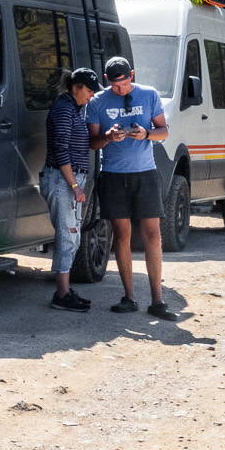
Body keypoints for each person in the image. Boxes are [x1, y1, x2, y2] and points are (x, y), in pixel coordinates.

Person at [86, 56, 176, 321]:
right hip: (113, 175)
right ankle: (128, 296)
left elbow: (164, 131)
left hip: (145, 174)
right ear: (107, 80)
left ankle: (157, 300)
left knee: (153, 235)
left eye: (124, 83)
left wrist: (146, 134)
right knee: (121, 235)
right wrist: (108, 136)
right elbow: (92, 142)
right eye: (115, 85)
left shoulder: (148, 95)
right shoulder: (97, 102)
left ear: (132, 75)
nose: (120, 89)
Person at [45, 67, 101, 312]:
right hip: (62, 179)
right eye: (88, 91)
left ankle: (65, 290)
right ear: (76, 87)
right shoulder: (64, 109)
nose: (90, 96)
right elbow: (61, 150)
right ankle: (61, 294)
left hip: (68, 179)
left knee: (73, 235)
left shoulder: (76, 108)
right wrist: (75, 186)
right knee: (68, 236)